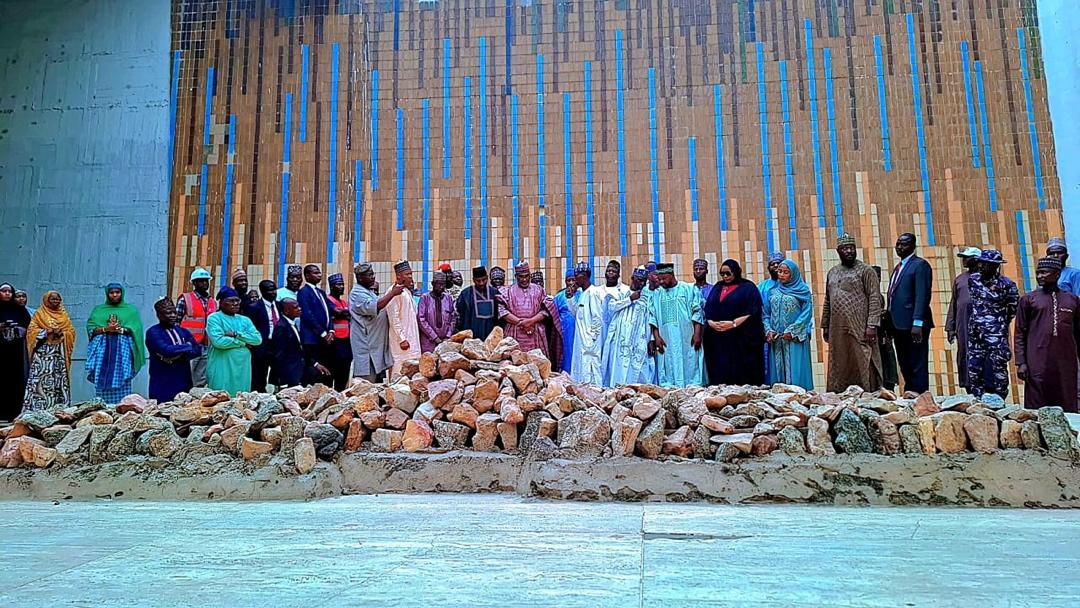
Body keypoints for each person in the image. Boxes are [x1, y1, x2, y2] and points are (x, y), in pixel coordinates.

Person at [1016, 257, 1080, 412]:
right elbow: (1020, 332)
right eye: (1038, 273)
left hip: (1066, 362)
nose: (1040, 276)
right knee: (1037, 404)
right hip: (1037, 361)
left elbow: (1078, 332)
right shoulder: (1028, 299)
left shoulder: (1072, 300)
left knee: (1067, 400)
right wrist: (1021, 362)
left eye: (1044, 272)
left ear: (1057, 274)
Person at [822, 234, 883, 393]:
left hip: (860, 325)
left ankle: (868, 393)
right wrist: (825, 325)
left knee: (863, 357)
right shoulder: (832, 272)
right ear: (838, 251)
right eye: (845, 248)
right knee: (840, 359)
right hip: (837, 328)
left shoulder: (866, 270)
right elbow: (828, 299)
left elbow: (874, 297)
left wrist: (872, 325)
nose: (849, 251)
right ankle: (840, 394)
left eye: (851, 248)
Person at [965, 250, 1019, 400]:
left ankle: (1000, 397)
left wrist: (998, 321)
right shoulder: (973, 280)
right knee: (974, 366)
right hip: (975, 331)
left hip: (996, 332)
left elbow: (1013, 308)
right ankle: (977, 397)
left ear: (995, 266)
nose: (981, 266)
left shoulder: (1007, 285)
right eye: (980, 263)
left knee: (999, 365)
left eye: (985, 264)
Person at [702, 259, 765, 386]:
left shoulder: (748, 287)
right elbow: (708, 308)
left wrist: (733, 324)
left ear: (735, 272)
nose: (725, 277)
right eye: (722, 274)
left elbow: (752, 310)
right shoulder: (718, 287)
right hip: (719, 337)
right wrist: (711, 322)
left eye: (728, 273)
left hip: (740, 338)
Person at [885, 232, 934, 394]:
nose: (900, 247)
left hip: (914, 324)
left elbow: (922, 295)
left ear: (913, 246)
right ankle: (910, 392)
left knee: (917, 362)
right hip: (898, 324)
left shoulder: (920, 265)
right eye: (898, 244)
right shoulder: (899, 267)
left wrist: (917, 322)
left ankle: (920, 395)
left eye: (904, 244)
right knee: (904, 362)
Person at [85, 283, 145, 404]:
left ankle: (123, 405)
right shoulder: (98, 310)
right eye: (111, 292)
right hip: (103, 350)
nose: (114, 295)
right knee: (101, 377)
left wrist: (120, 330)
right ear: (107, 294)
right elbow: (91, 329)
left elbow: (136, 330)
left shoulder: (130, 310)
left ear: (122, 293)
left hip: (122, 350)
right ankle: (102, 406)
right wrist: (106, 329)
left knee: (123, 376)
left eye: (117, 292)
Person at [650, 263, 705, 387]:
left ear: (671, 275)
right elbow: (653, 317)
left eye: (664, 278)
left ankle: (692, 388)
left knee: (690, 363)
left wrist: (697, 334)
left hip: (687, 336)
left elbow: (697, 312)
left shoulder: (688, 289)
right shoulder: (657, 294)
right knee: (668, 365)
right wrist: (656, 337)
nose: (661, 282)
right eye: (659, 279)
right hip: (666, 338)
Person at [499, 261, 563, 365]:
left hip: (535, 333)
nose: (524, 279)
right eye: (521, 277)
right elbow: (502, 311)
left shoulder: (539, 290)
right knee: (514, 366)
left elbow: (547, 309)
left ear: (530, 275)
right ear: (516, 277)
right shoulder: (507, 291)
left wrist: (531, 321)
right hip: (514, 332)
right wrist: (521, 323)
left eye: (526, 276)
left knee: (539, 365)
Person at [763, 260, 814, 390]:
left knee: (796, 372)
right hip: (777, 341)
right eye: (780, 271)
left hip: (794, 339)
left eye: (786, 272)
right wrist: (768, 330)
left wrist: (792, 331)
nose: (781, 275)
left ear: (793, 274)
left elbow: (806, 313)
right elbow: (765, 314)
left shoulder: (803, 291)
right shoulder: (772, 291)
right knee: (778, 374)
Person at [22, 291, 76, 411]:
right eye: (53, 299)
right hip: (42, 354)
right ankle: (37, 409)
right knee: (39, 380)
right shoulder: (39, 314)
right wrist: (47, 332)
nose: (55, 301)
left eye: (58, 299)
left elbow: (71, 331)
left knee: (59, 380)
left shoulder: (64, 315)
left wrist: (62, 333)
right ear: (46, 300)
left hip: (59, 354)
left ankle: (58, 408)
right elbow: (31, 331)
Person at [602, 266, 655, 386]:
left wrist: (651, 338)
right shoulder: (620, 292)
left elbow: (650, 318)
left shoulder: (646, 297)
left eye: (643, 281)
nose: (641, 283)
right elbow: (611, 307)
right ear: (632, 278)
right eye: (638, 280)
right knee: (618, 366)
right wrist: (630, 299)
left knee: (638, 368)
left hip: (638, 339)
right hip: (620, 338)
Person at [205, 287, 263, 395]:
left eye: (237, 300)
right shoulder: (214, 318)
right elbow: (218, 341)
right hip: (222, 365)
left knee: (241, 397)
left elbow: (257, 339)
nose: (235, 303)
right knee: (220, 397)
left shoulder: (245, 320)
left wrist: (236, 334)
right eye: (231, 301)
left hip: (242, 367)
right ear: (221, 302)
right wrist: (243, 343)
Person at [145, 297, 200, 402]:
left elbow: (197, 350)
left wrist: (179, 353)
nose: (173, 315)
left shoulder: (182, 331)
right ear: (159, 315)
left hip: (183, 378)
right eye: (169, 313)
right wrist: (187, 346)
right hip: (162, 380)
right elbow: (166, 350)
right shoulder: (153, 332)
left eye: (174, 312)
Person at [349, 263, 396, 383]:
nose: (373, 277)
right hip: (367, 346)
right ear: (360, 278)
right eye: (369, 275)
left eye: (373, 274)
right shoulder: (357, 293)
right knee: (365, 385)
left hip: (375, 345)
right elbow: (376, 306)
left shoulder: (368, 291)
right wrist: (392, 293)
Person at [271, 298, 330, 388]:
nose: (300, 309)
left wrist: (315, 364)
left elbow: (301, 349)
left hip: (299, 370)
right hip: (289, 374)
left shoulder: (293, 324)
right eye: (296, 307)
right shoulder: (281, 327)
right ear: (286, 311)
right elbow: (279, 355)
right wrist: (282, 380)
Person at [945, 247, 981, 391]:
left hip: (983, 327)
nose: (964, 260)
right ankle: (968, 385)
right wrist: (950, 327)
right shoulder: (960, 279)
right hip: (963, 325)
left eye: (967, 257)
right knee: (964, 353)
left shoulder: (987, 278)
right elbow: (954, 303)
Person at [177, 267, 217, 387]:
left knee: (201, 379)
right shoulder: (185, 299)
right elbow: (176, 322)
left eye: (206, 280)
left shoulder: (212, 302)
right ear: (194, 283)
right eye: (200, 281)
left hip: (207, 345)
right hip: (190, 345)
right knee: (185, 376)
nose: (204, 283)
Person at [297, 264, 336, 386]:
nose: (319, 275)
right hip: (312, 338)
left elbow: (329, 312)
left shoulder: (321, 292)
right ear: (307, 276)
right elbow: (308, 315)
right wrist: (323, 333)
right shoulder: (303, 292)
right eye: (316, 273)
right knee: (314, 372)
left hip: (325, 339)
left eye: (319, 272)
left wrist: (331, 331)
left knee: (327, 372)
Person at [570, 262, 608, 385]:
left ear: (585, 276)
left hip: (589, 342)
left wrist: (591, 340)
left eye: (577, 276)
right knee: (581, 369)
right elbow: (577, 314)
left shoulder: (593, 293)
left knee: (591, 369)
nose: (575, 280)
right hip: (581, 341)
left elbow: (597, 318)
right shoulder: (582, 294)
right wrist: (571, 297)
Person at [0, 283, 31, 421]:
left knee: (15, 380)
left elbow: (30, 328)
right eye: (4, 291)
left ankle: (13, 413)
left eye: (9, 291)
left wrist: (17, 329)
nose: (7, 294)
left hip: (16, 351)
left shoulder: (20, 311)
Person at [386, 260, 421, 377]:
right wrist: (402, 339)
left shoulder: (406, 291)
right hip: (402, 343)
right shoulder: (393, 292)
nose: (410, 276)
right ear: (399, 276)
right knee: (399, 373)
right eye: (407, 274)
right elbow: (393, 318)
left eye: (411, 274)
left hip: (412, 340)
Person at [244, 280, 279, 393]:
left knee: (278, 372)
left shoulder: (279, 305)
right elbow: (249, 327)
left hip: (277, 344)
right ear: (263, 292)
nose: (273, 292)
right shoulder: (254, 307)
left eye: (274, 289)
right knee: (259, 374)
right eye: (270, 290)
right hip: (261, 345)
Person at [758, 252, 786, 384]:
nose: (775, 266)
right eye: (772, 264)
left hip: (790, 335)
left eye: (778, 263)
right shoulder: (762, 288)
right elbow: (762, 312)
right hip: (770, 336)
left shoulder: (795, 286)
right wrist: (767, 330)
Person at [324, 273, 354, 390]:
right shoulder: (328, 300)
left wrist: (343, 313)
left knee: (344, 370)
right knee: (333, 370)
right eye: (338, 285)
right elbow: (339, 313)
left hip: (346, 340)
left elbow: (346, 314)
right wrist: (343, 313)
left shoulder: (344, 302)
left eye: (342, 284)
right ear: (332, 287)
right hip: (334, 341)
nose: (342, 287)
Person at [872, 266, 899, 392]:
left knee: (888, 364)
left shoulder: (880, 296)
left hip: (884, 337)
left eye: (878, 277)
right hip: (874, 338)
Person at [455, 265, 501, 341]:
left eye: (484, 280)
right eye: (478, 281)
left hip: (491, 335)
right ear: (473, 280)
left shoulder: (494, 292)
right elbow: (460, 314)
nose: (481, 283)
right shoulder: (466, 294)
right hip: (472, 336)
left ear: (487, 278)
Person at [418, 273, 457, 353]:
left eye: (443, 284)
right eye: (439, 284)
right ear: (433, 284)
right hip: (428, 342)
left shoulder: (448, 298)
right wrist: (435, 337)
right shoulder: (425, 298)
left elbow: (453, 318)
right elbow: (421, 319)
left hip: (445, 341)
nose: (441, 287)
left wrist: (448, 336)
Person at [552, 269, 580, 374]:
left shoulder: (582, 295)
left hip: (578, 331)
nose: (571, 283)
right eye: (569, 280)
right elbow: (554, 314)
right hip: (564, 332)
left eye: (573, 280)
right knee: (565, 353)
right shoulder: (559, 296)